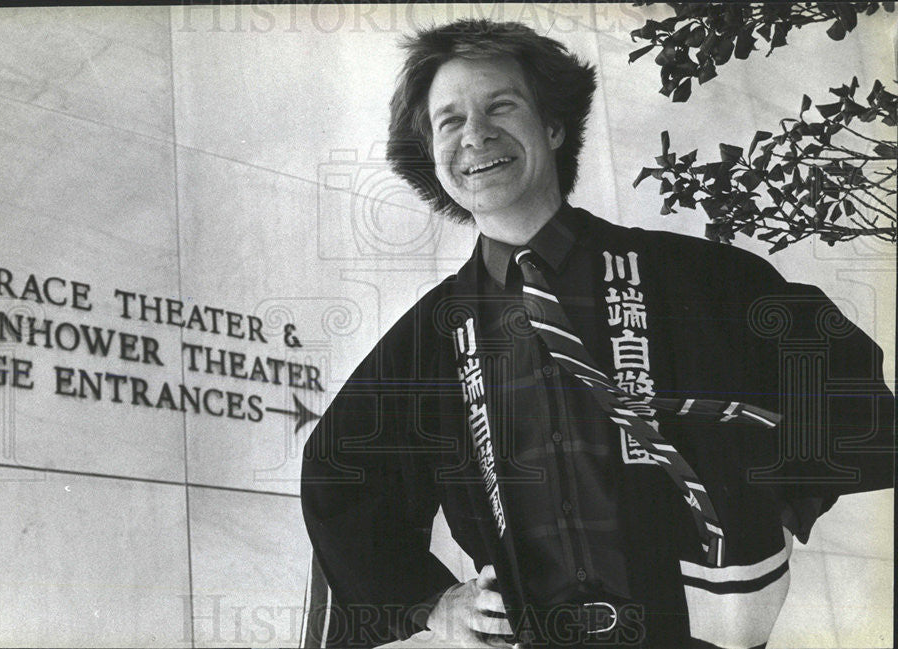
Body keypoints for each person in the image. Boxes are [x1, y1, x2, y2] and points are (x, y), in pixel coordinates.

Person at [301, 19, 894, 649]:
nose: (476, 133)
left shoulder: (693, 277)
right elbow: (343, 474)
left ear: (553, 126)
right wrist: (431, 603)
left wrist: (761, 505)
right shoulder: (435, 332)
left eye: (502, 104)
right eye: (449, 120)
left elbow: (837, 376)